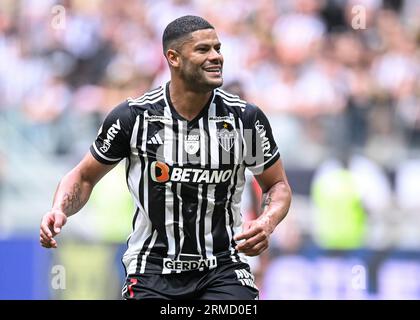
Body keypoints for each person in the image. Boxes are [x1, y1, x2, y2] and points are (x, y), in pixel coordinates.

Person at [39, 15, 292, 300]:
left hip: (224, 268)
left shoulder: (244, 119)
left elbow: (277, 185)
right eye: (203, 50)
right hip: (151, 270)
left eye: (217, 48)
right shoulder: (134, 118)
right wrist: (60, 209)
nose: (216, 57)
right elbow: (84, 176)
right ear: (173, 57)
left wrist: (267, 221)